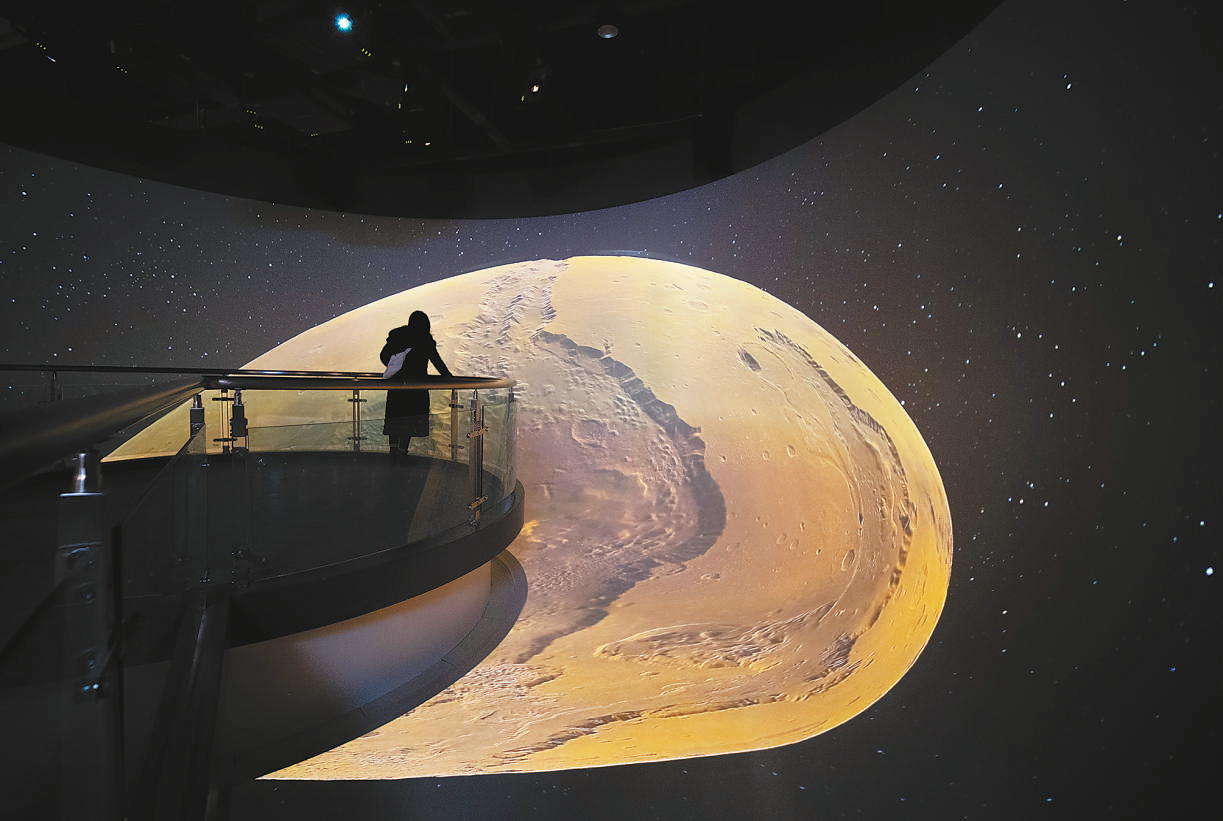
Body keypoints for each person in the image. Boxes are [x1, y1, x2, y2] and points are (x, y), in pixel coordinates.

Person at [380, 310, 452, 454]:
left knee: (395, 421)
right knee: (408, 422)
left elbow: (384, 357)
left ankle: (393, 454)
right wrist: (451, 379)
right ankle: (402, 454)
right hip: (415, 388)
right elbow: (437, 362)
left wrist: (397, 365)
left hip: (396, 387)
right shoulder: (424, 339)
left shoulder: (397, 336)